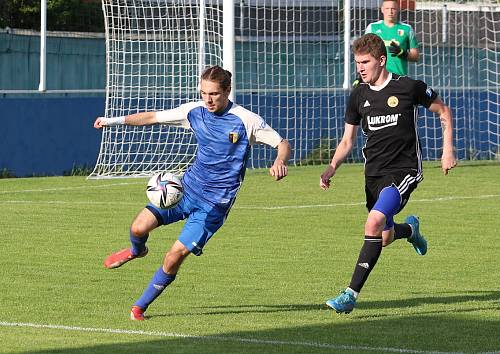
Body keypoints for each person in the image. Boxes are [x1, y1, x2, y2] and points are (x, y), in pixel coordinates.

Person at [93, 65, 291, 320]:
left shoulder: (246, 120)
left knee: (173, 256)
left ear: (228, 91)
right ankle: (136, 251)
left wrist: (279, 161)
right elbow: (153, 117)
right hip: (185, 190)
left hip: (214, 205)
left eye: (214, 94)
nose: (208, 99)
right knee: (138, 228)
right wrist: (112, 121)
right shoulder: (194, 111)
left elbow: (282, 143)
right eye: (203, 93)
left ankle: (139, 307)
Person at [320, 33, 456, 313]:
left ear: (381, 60)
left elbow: (443, 110)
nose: (360, 67)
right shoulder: (358, 94)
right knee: (382, 236)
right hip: (374, 174)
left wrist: (447, 150)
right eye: (357, 62)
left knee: (372, 224)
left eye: (365, 62)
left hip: (403, 170)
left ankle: (349, 295)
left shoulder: (408, 87)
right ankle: (410, 230)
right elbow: (348, 140)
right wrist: (332, 166)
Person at [365, 0, 419, 77]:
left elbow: (415, 56)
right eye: (387, 8)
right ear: (382, 10)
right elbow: (364, 53)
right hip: (377, 77)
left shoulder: (407, 29)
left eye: (393, 8)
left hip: (399, 77)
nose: (390, 11)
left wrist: (402, 53)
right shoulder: (372, 27)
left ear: (398, 9)